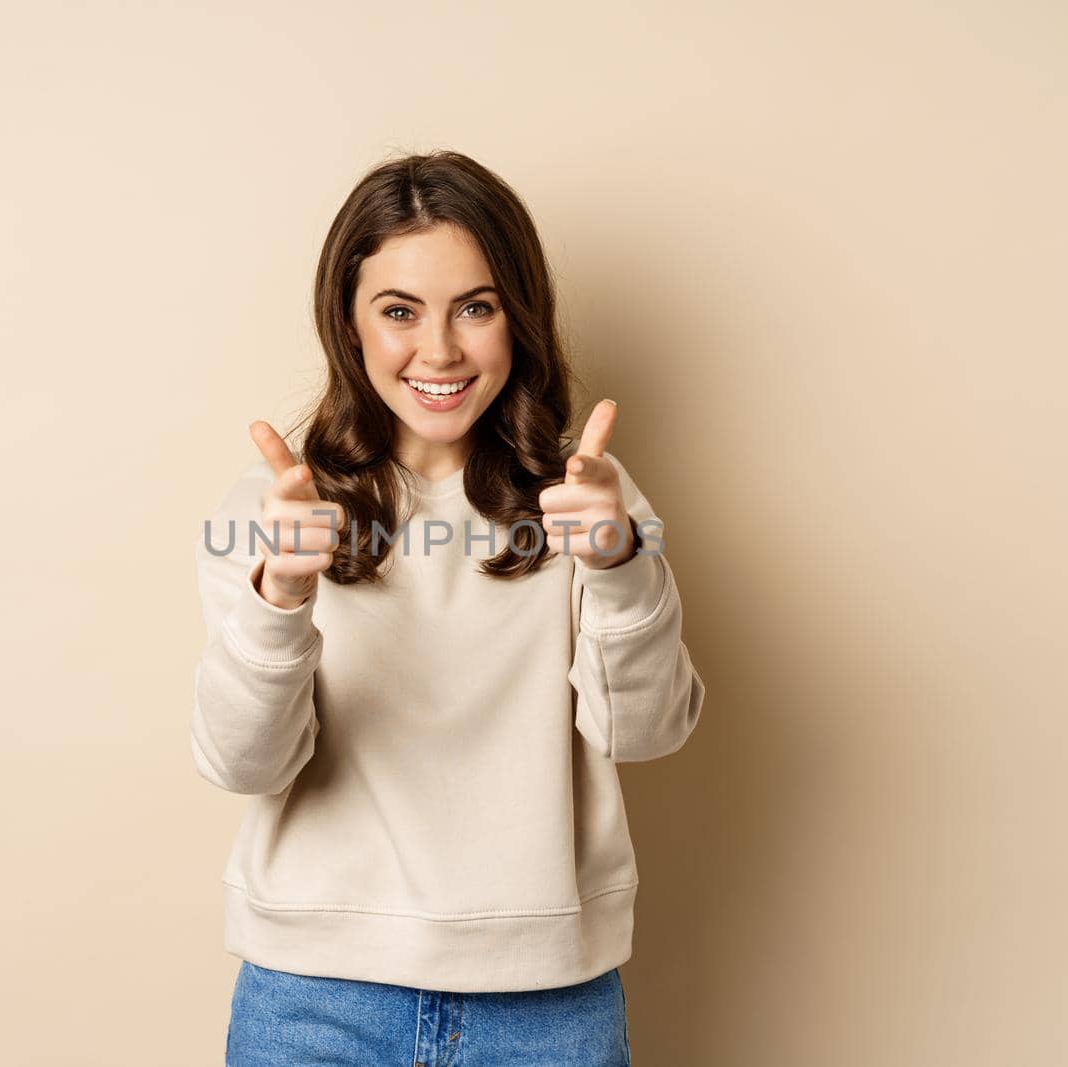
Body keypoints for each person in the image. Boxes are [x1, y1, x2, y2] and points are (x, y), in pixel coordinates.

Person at [191, 150, 706, 1066]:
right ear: (349, 325)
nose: (439, 351)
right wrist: (282, 595)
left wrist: (621, 561)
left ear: (519, 319)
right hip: (313, 1000)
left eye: (476, 306)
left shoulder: (591, 494)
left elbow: (647, 731)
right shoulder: (272, 504)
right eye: (399, 311)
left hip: (549, 1007)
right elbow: (243, 762)